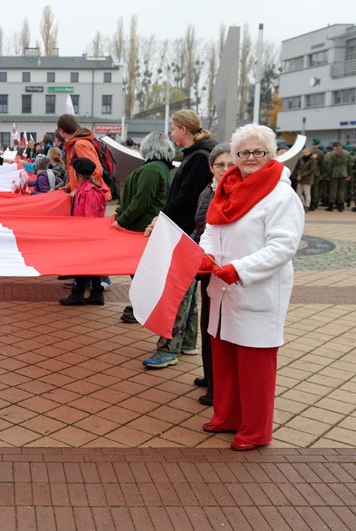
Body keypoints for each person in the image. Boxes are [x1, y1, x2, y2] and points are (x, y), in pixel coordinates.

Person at [199, 124, 304, 451]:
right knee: (225, 357)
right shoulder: (227, 188)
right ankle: (227, 415)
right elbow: (211, 229)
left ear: (271, 155)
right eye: (243, 152)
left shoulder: (282, 195)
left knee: (254, 364)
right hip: (222, 287)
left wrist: (240, 270)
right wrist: (208, 254)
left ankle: (255, 431)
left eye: (258, 152)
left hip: (255, 289)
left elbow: (282, 247)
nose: (250, 158)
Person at [143, 110, 217, 369]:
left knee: (177, 289)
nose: (172, 134)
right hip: (189, 231)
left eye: (174, 128)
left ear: (184, 130)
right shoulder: (199, 155)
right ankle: (187, 341)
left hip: (184, 232)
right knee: (187, 288)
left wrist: (160, 219)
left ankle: (168, 348)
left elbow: (185, 198)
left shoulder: (197, 158)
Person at [112, 132, 174, 324]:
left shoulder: (152, 169)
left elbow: (141, 201)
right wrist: (121, 212)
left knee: (141, 272)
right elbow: (137, 198)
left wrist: (121, 219)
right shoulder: (158, 168)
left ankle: (145, 307)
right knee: (142, 271)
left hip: (141, 230)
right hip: (142, 228)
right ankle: (144, 306)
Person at [190, 143, 232, 407]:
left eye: (230, 165)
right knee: (208, 324)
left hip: (226, 269)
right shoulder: (207, 191)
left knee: (220, 328)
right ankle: (209, 376)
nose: (225, 170)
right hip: (207, 266)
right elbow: (200, 226)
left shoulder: (237, 192)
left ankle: (218, 387)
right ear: (211, 167)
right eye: (220, 165)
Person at [59, 157, 108, 306]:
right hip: (83, 232)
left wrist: (85, 236)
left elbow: (90, 216)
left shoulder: (91, 190)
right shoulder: (84, 188)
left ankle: (79, 293)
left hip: (87, 233)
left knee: (83, 263)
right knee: (89, 264)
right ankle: (96, 293)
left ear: (78, 174)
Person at [56, 114, 111, 201]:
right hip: (85, 195)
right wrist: (70, 185)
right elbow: (81, 174)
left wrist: (79, 190)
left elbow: (96, 170)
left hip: (89, 197)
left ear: (61, 131)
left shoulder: (79, 145)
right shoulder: (75, 144)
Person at [325, 142, 351, 211]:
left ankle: (331, 205)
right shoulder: (347, 153)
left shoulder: (332, 154)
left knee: (333, 190)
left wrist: (328, 174)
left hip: (334, 174)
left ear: (334, 146)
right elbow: (349, 165)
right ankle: (341, 206)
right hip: (344, 173)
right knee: (341, 190)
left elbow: (329, 165)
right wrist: (349, 174)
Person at [297, 146, 319, 211]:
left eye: (306, 152)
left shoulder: (313, 160)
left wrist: (302, 175)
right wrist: (299, 175)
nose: (304, 153)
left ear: (310, 152)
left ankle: (307, 206)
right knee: (299, 193)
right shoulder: (302, 159)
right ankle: (302, 204)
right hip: (300, 178)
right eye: (303, 152)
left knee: (307, 193)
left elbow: (311, 170)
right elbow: (300, 168)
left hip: (307, 178)